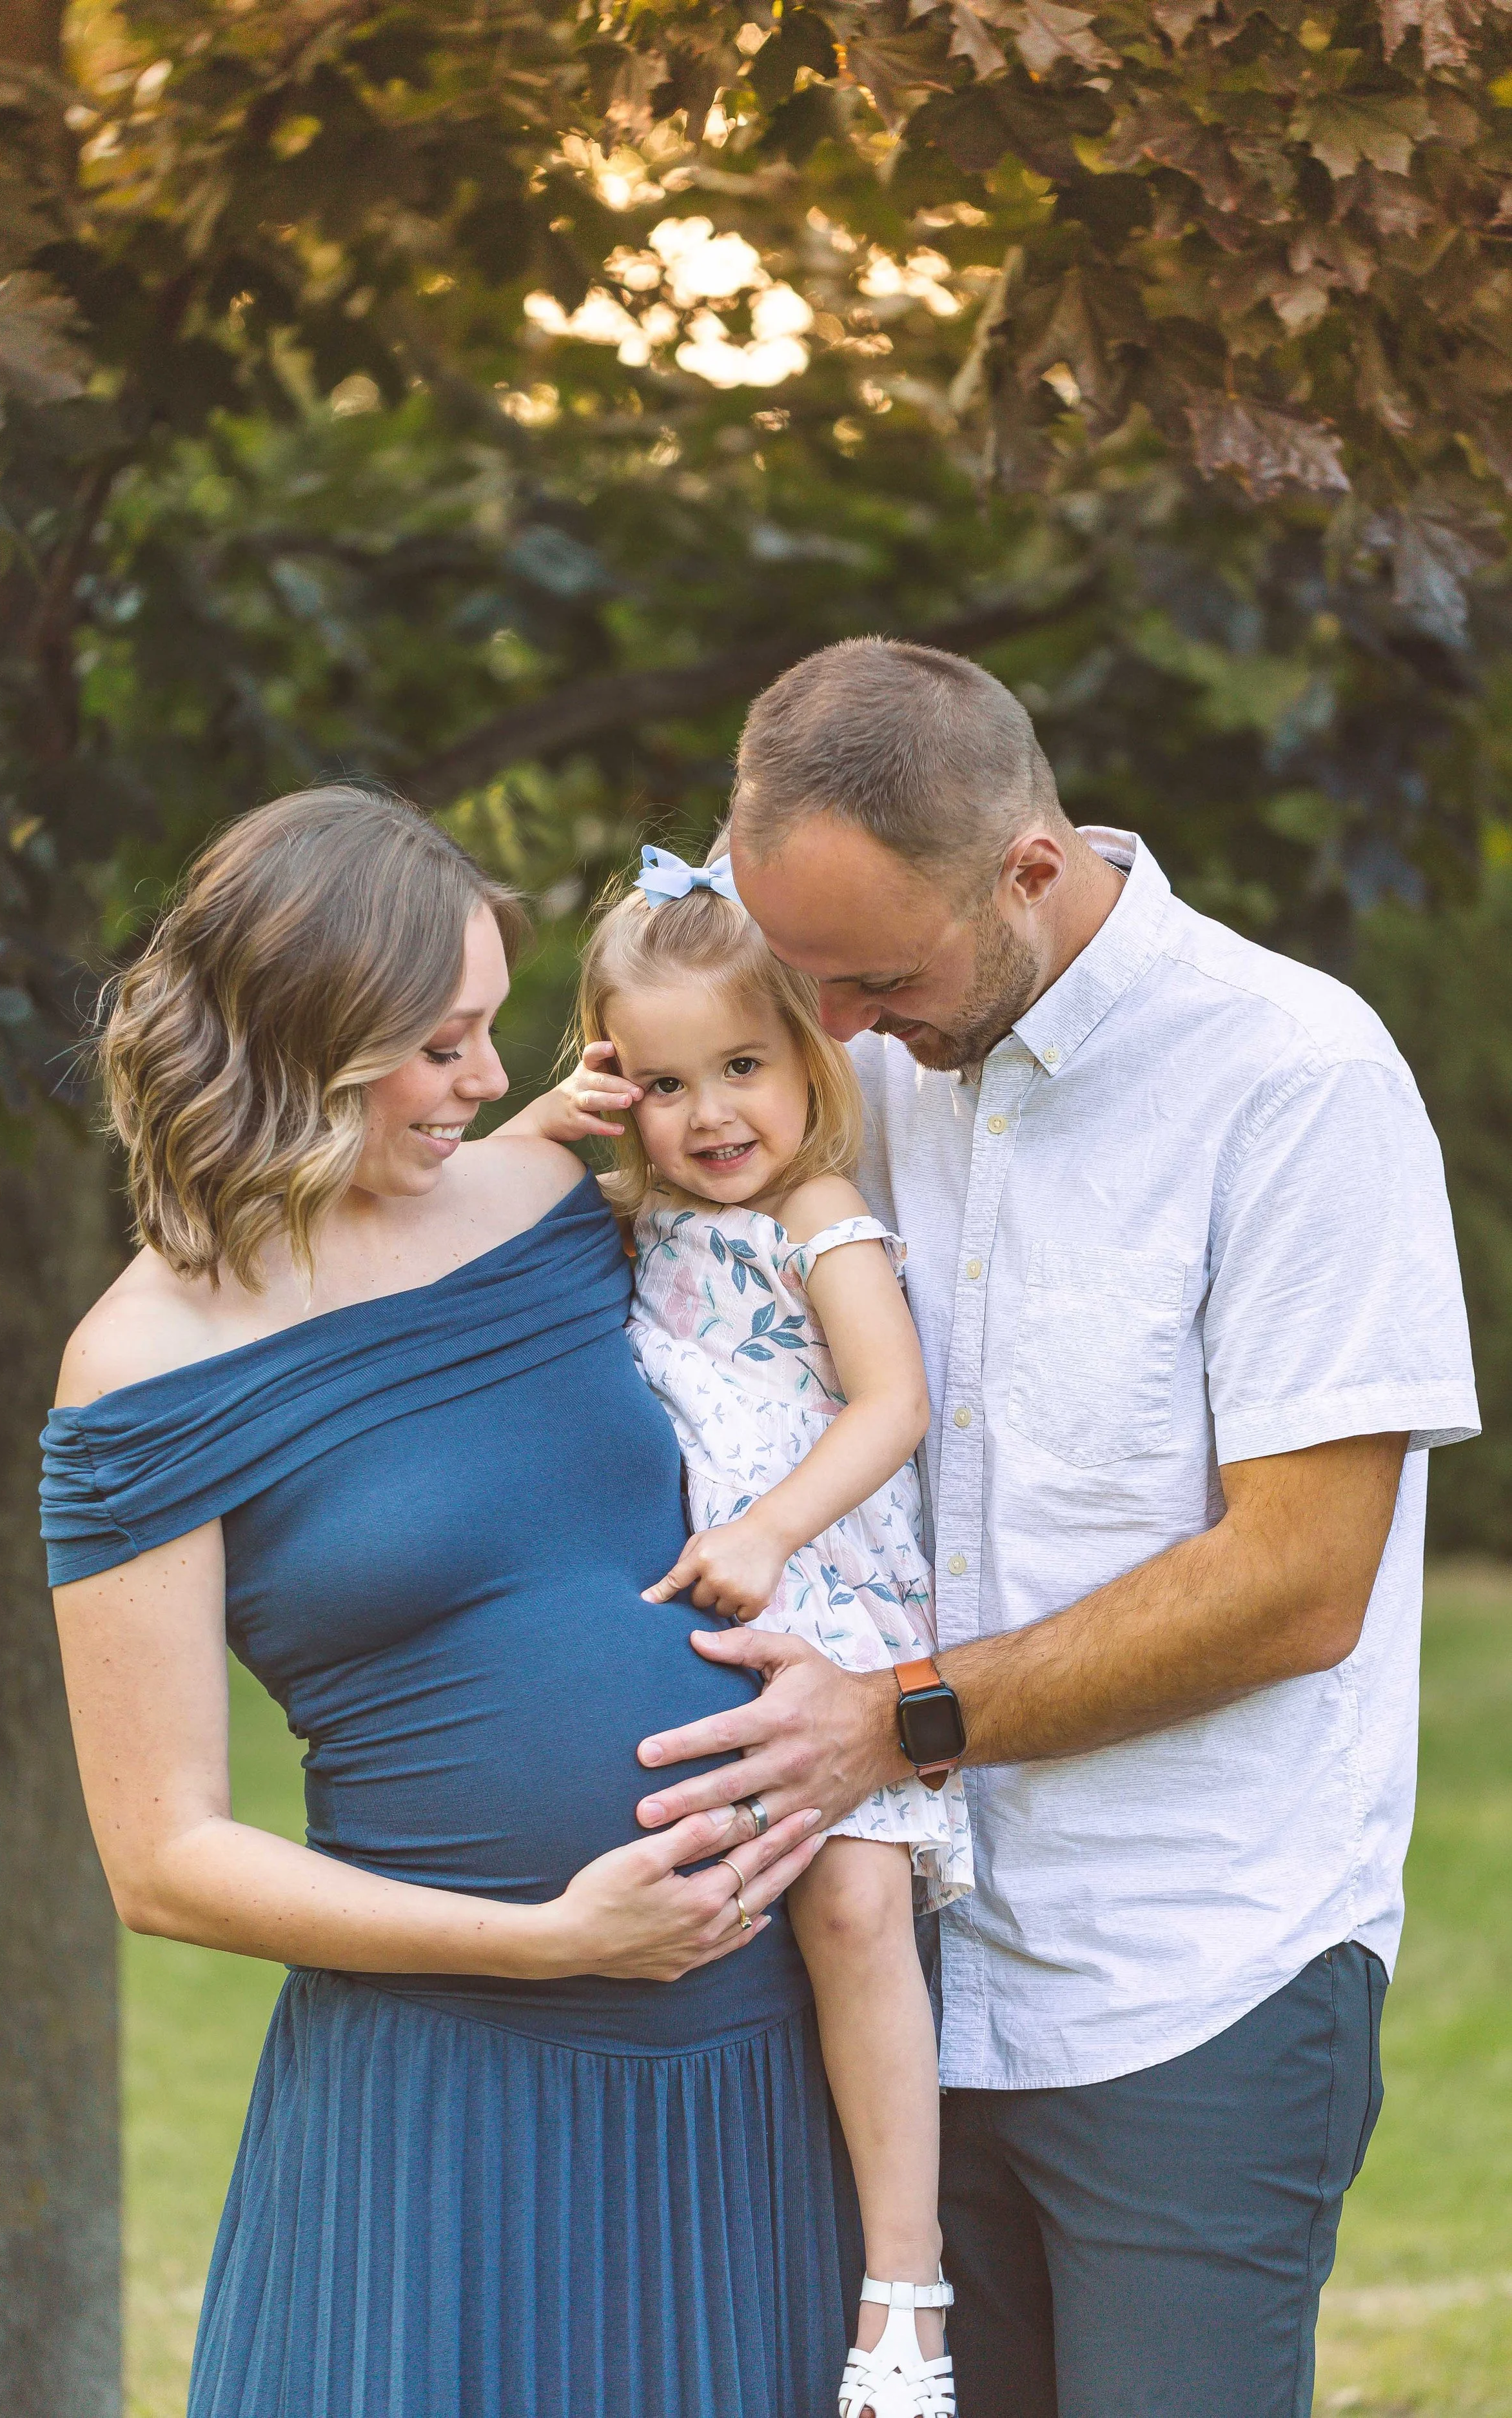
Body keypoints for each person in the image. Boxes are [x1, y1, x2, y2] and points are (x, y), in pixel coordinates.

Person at [624, 641, 1481, 2418]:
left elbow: (1297, 1583)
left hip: (1191, 1978)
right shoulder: (842, 1043)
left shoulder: (1292, 1076)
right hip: (898, 1973)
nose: (832, 1026)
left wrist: (894, 1720)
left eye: (875, 978)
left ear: (1028, 868)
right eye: (802, 978)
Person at [38, 784, 850, 2418]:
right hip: (447, 2087)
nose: (491, 1079)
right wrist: (552, 1944)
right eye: (441, 1043)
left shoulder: (547, 1199)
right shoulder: (137, 1373)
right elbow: (164, 1858)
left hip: (750, 2037)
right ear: (302, 1040)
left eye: (489, 1030)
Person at [509, 843, 974, 2418]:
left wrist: (771, 1531)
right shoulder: (624, 1215)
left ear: (807, 1056)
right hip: (706, 1617)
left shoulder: (816, 1212)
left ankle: (903, 2283)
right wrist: (544, 1126)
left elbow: (891, 1404)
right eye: (659, 1082)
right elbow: (470, 1216)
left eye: (740, 1067)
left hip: (827, 1596)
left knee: (851, 1912)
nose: (709, 1114)